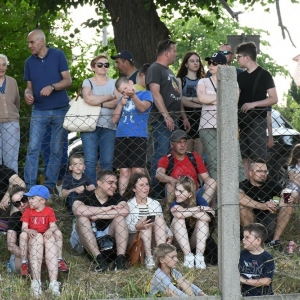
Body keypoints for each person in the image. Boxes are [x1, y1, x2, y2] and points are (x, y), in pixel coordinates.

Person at [24, 29, 72, 192]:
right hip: (39, 110)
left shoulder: (58, 55)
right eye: (28, 43)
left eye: (32, 42)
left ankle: (49, 187)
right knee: (33, 148)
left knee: (56, 149)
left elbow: (68, 81)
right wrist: (28, 95)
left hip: (60, 109)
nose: (29, 45)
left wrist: (52, 87)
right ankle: (30, 186)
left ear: (41, 41)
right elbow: (28, 88)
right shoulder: (29, 62)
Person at [146, 39, 190, 197]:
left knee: (172, 155)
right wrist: (166, 116)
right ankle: (155, 194)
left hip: (174, 119)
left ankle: (169, 191)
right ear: (166, 53)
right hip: (162, 120)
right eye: (174, 51)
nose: (176, 54)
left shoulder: (169, 71)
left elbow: (176, 96)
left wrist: (182, 116)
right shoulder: (155, 69)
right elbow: (155, 93)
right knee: (162, 154)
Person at [197, 52, 245, 182]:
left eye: (215, 63)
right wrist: (222, 98)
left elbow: (233, 100)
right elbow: (202, 98)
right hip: (207, 125)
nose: (211, 65)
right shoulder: (203, 81)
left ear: (223, 65)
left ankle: (241, 193)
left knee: (235, 158)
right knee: (214, 161)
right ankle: (216, 196)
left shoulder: (232, 82)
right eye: (209, 62)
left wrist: (211, 99)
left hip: (227, 125)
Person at [72, 170, 129, 272]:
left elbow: (124, 211)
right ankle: (98, 260)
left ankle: (120, 260)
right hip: (85, 236)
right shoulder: (87, 194)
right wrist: (105, 209)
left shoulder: (116, 197)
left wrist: (97, 215)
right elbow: (77, 210)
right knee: (82, 219)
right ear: (99, 182)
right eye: (110, 183)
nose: (114, 186)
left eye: (115, 183)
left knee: (120, 218)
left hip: (107, 234)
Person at [236, 42, 278, 175]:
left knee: (258, 160)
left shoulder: (265, 75)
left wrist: (253, 104)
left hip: (258, 122)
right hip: (242, 123)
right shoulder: (240, 76)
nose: (237, 60)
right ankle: (246, 188)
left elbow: (273, 98)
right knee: (244, 157)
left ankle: (258, 190)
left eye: (239, 57)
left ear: (247, 58)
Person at [20, 185, 68, 297]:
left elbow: (53, 225)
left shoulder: (49, 211)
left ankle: (53, 283)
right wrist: (29, 230)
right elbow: (24, 227)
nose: (29, 201)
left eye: (32, 198)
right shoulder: (28, 211)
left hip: (46, 236)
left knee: (53, 235)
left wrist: (50, 230)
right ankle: (36, 283)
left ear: (42, 200)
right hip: (34, 236)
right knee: (36, 237)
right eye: (29, 198)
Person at [239, 159, 297, 249]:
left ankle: (275, 241)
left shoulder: (271, 184)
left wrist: (290, 195)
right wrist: (262, 206)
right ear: (250, 173)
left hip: (270, 222)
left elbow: (286, 191)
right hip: (251, 223)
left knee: (287, 203)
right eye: (259, 171)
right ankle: (251, 240)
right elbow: (238, 196)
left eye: (265, 171)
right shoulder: (244, 185)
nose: (263, 174)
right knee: (242, 205)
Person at [81, 54, 120, 184]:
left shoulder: (114, 82)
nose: (103, 67)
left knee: (107, 162)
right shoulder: (88, 81)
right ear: (93, 67)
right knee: (90, 162)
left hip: (109, 126)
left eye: (106, 64)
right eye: (100, 64)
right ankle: (91, 193)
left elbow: (118, 102)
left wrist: (98, 102)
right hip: (89, 125)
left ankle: (107, 190)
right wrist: (109, 96)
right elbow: (88, 99)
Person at [113, 77, 153, 194]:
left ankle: (139, 196)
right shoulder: (122, 99)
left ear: (131, 83)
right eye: (122, 91)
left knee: (137, 169)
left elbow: (142, 108)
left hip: (138, 136)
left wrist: (133, 96)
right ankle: (122, 197)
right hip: (121, 136)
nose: (125, 92)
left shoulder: (145, 94)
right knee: (124, 171)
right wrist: (120, 104)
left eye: (126, 88)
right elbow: (114, 119)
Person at [156, 130, 216, 207]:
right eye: (179, 142)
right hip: (177, 195)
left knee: (212, 182)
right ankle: (173, 213)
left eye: (184, 142)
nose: (183, 145)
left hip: (194, 194)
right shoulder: (167, 159)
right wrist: (172, 180)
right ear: (171, 144)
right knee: (169, 185)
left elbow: (207, 179)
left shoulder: (193, 156)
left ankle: (201, 208)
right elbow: (158, 174)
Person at [124, 173, 172, 269]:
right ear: (134, 189)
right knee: (146, 221)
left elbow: (162, 223)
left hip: (155, 238)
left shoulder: (155, 203)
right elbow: (126, 227)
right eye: (141, 185)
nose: (146, 187)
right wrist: (137, 226)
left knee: (156, 218)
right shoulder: (128, 204)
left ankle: (161, 254)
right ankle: (149, 257)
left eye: (147, 184)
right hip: (137, 238)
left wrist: (169, 234)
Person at [170, 176, 215, 269]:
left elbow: (208, 217)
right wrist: (199, 209)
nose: (177, 193)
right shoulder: (174, 202)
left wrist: (185, 211)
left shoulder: (199, 200)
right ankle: (188, 257)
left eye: (181, 191)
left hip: (193, 241)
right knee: (179, 219)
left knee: (203, 221)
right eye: (176, 190)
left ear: (190, 194)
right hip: (177, 242)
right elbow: (178, 215)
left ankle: (199, 257)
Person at [177, 51, 205, 156]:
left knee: (198, 156)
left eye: (197, 61)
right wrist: (199, 102)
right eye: (192, 61)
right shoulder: (180, 80)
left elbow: (205, 100)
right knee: (186, 154)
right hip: (186, 119)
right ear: (186, 64)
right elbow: (180, 100)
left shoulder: (203, 80)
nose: (195, 63)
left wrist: (189, 99)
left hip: (202, 118)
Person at [239, 223, 275, 297]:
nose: (243, 240)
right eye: (243, 237)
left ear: (258, 241)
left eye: (247, 237)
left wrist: (244, 280)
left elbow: (266, 281)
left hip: (263, 295)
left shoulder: (267, 257)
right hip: (243, 295)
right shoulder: (240, 255)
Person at [0, 54, 20, 173]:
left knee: (11, 158)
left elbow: (16, 102)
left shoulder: (12, 81)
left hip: (12, 123)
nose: (1, 68)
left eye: (4, 65)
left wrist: (12, 115)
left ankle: (14, 189)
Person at [7, 186, 29, 274]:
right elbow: (11, 245)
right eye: (17, 204)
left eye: (23, 200)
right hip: (21, 253)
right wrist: (29, 257)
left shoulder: (43, 212)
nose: (22, 205)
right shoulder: (15, 217)